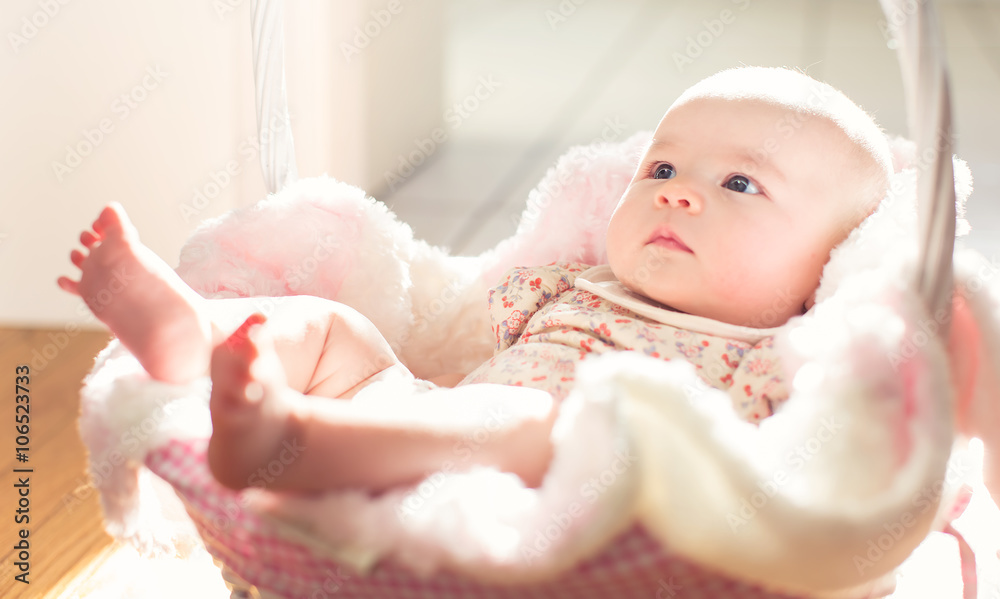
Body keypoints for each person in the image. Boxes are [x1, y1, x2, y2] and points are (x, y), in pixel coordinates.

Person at [57, 67, 988, 499]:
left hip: (556, 476)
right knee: (339, 332)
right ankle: (192, 335)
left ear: (824, 263)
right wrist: (394, 366)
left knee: (531, 424)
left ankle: (296, 443)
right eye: (660, 170)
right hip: (428, 414)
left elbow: (819, 455)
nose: (681, 197)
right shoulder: (573, 281)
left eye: (740, 184)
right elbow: (453, 332)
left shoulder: (776, 362)